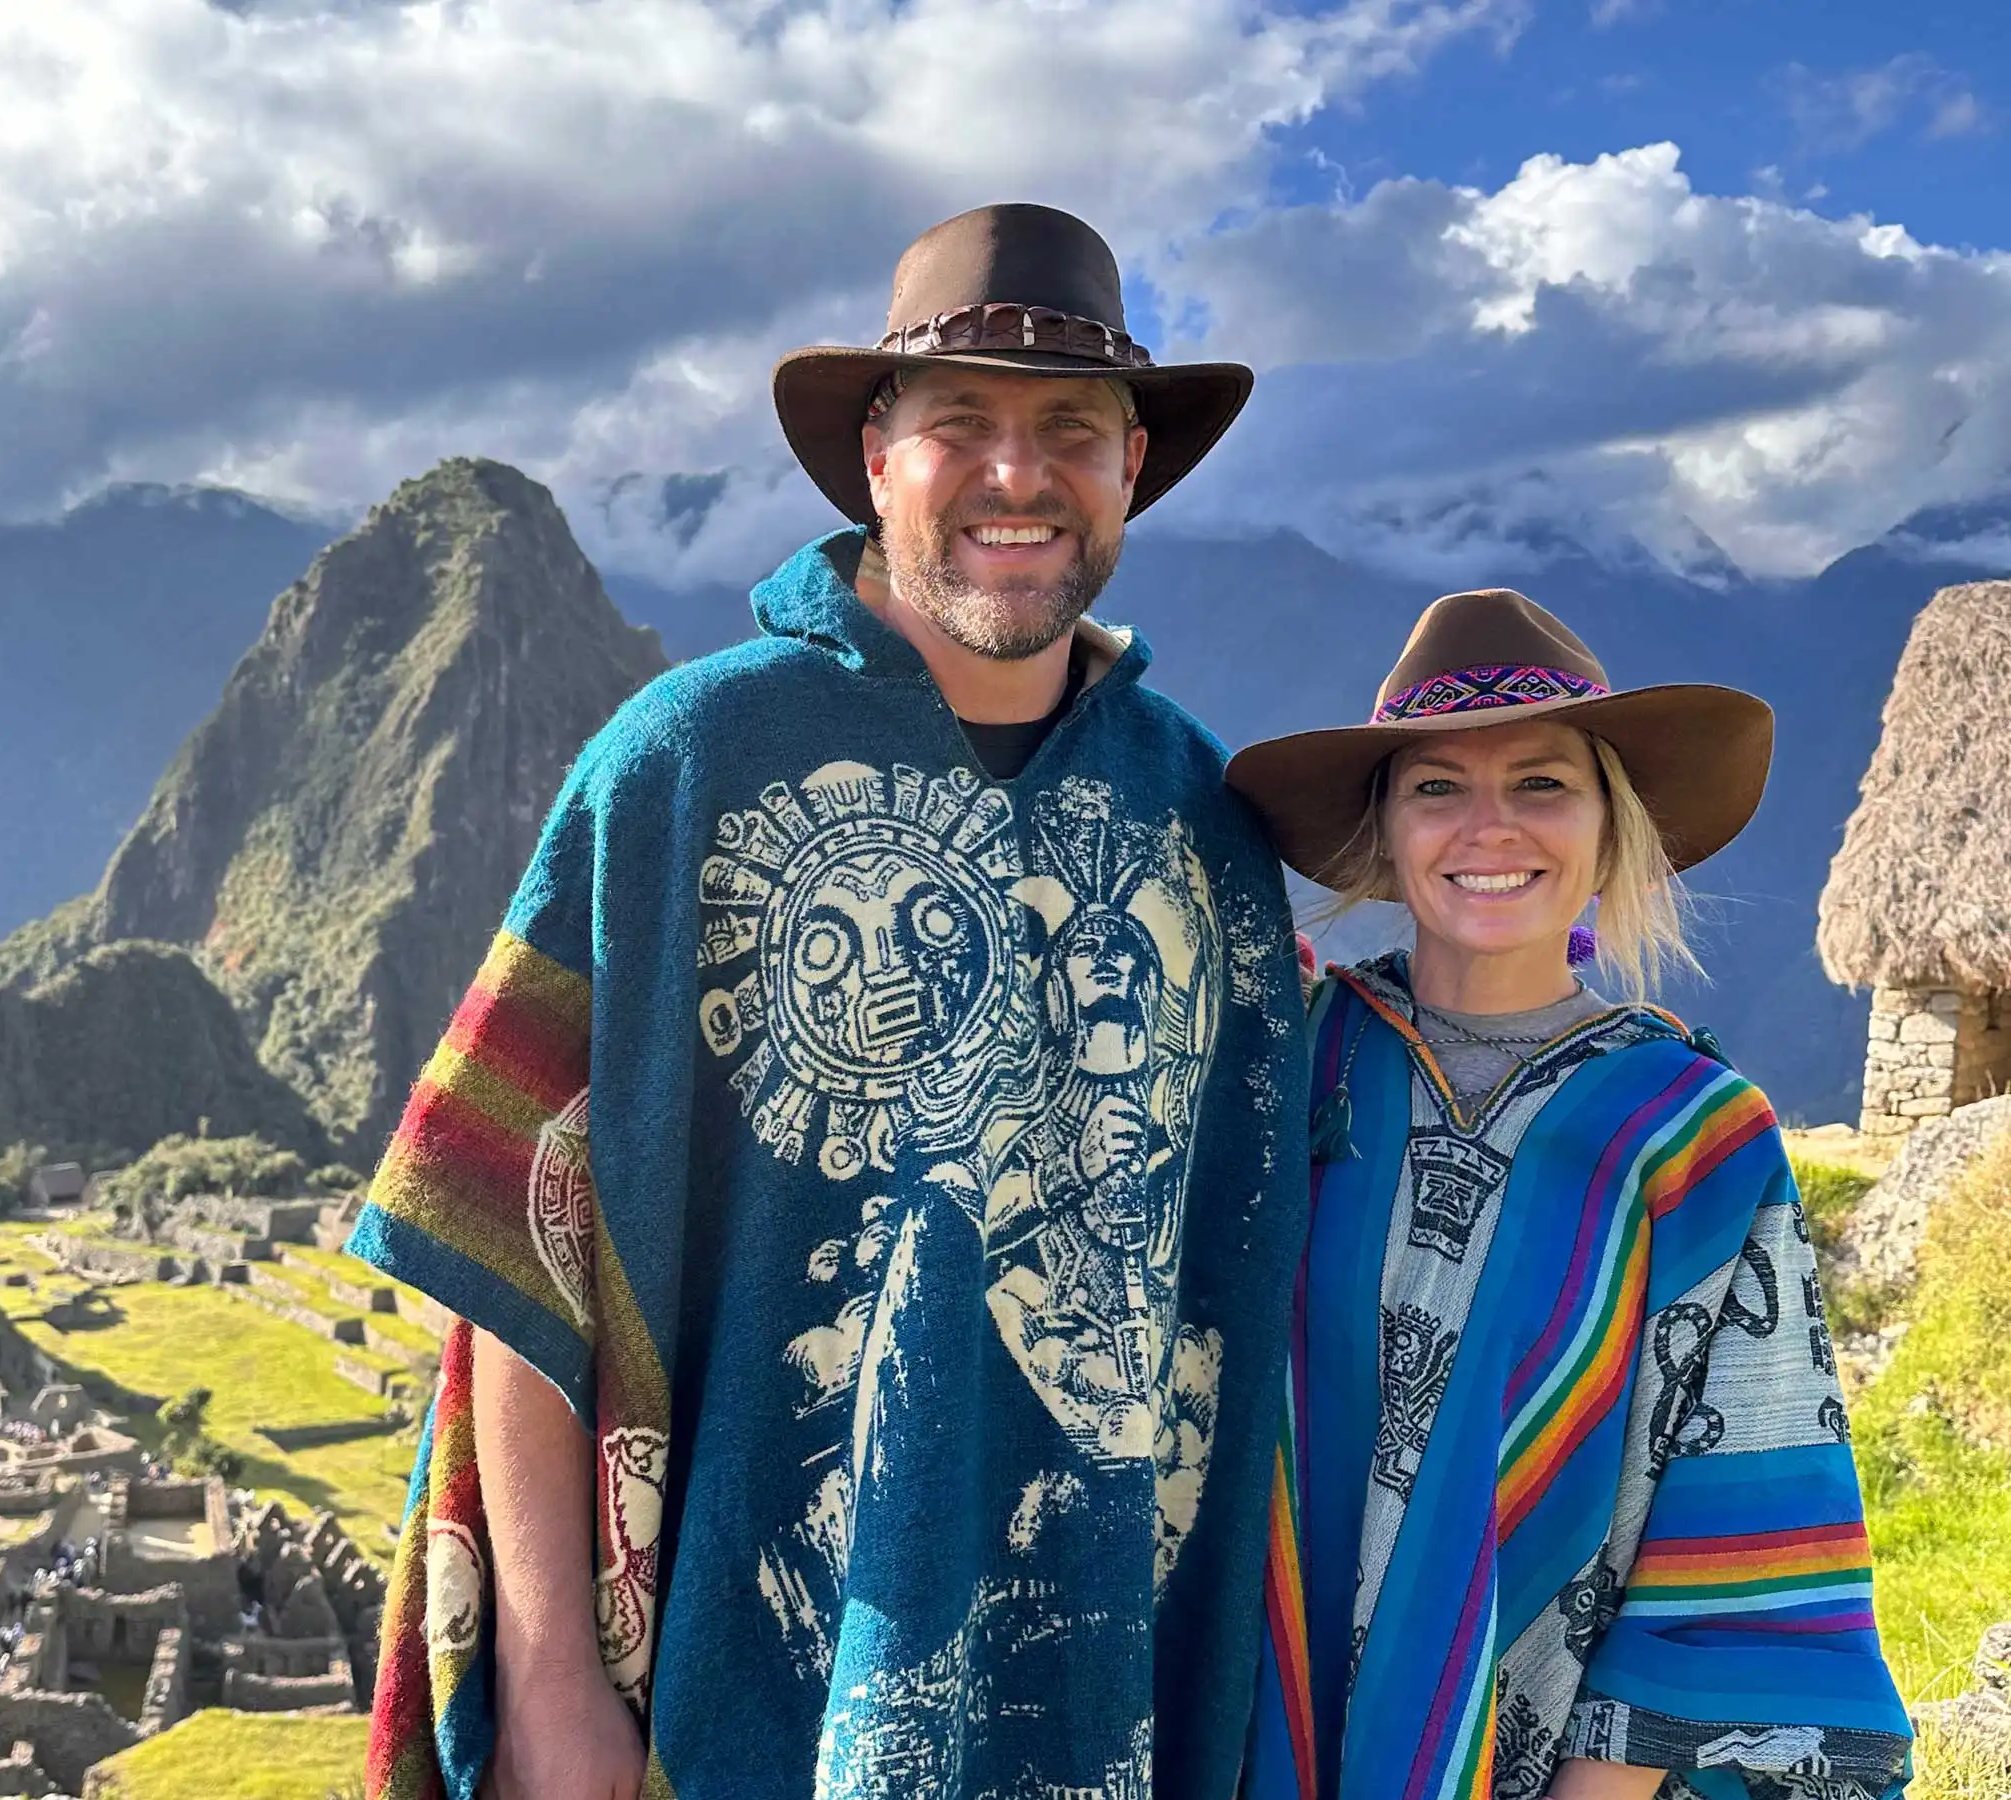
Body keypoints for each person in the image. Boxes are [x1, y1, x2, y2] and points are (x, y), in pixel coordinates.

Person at [349, 202, 1311, 1799]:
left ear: (1132, 466)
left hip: (1099, 1678)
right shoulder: (682, 769)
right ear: (877, 456)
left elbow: (1248, 1239)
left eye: (1070, 429)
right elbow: (518, 1234)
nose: (1020, 476)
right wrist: (548, 1675)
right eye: (963, 426)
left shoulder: (1197, 815)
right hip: (738, 1682)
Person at [1220, 590, 1912, 1799]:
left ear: (1610, 829)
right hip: (1248, 1730)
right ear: (1386, 830)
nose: (1489, 828)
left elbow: (1732, 1504)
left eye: (1542, 784)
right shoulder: (1291, 1065)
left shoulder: (1690, 1138)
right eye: (1436, 787)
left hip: (1554, 1761)